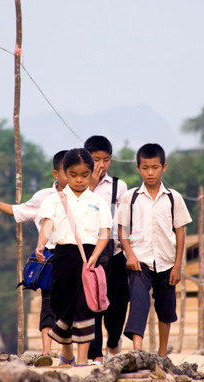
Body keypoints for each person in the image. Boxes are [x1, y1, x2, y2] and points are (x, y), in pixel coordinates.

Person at [0, 150, 68, 367]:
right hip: (49, 256)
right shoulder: (44, 198)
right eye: (69, 172)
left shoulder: (83, 197)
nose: (74, 178)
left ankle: (68, 354)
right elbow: (17, 211)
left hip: (73, 255)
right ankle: (46, 351)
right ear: (56, 173)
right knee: (48, 302)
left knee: (71, 303)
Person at [36, 148, 112, 366]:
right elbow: (48, 224)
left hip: (88, 258)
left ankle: (81, 360)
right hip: (62, 258)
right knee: (60, 304)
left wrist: (95, 257)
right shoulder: (54, 200)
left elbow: (104, 233)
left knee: (84, 306)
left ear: (91, 174)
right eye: (74, 174)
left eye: (84, 175)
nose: (79, 180)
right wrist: (41, 244)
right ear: (65, 174)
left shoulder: (97, 201)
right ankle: (66, 353)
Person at [117, 143, 192, 356]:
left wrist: (178, 265)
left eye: (155, 167)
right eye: (146, 167)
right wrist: (129, 254)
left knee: (166, 308)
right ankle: (138, 351)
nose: (150, 172)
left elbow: (180, 232)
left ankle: (162, 352)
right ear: (138, 168)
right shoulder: (130, 197)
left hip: (167, 262)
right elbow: (121, 230)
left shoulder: (172, 197)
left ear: (164, 167)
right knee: (139, 302)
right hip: (139, 261)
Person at [84, 135, 129, 365]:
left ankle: (113, 341)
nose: (101, 165)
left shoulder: (118, 186)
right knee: (93, 305)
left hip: (115, 253)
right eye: (95, 159)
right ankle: (95, 355)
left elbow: (123, 221)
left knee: (117, 306)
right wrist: (90, 184)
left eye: (106, 159)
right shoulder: (79, 185)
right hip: (89, 254)